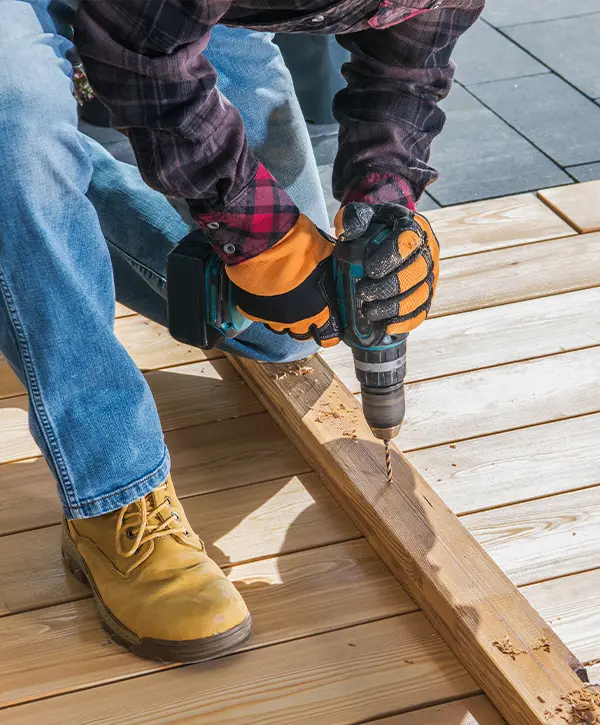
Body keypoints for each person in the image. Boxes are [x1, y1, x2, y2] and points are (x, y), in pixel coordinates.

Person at [0, 0, 482, 663]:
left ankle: (44, 192)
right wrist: (263, 240)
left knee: (281, 329)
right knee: (14, 115)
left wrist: (383, 207)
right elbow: (140, 61)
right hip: (135, 30)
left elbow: (407, 70)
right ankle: (115, 488)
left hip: (168, 19)